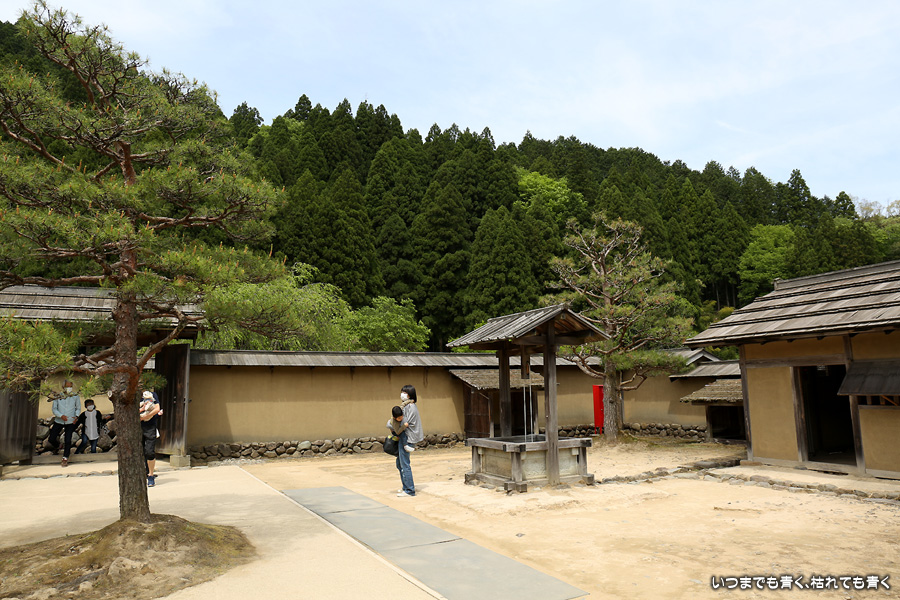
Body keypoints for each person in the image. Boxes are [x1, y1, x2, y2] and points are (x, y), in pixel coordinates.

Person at [395, 384, 423, 498]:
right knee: (400, 463)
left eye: (405, 393)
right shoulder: (406, 406)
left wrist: (394, 425)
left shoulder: (410, 407)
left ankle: (409, 490)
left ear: (410, 395)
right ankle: (405, 486)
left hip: (407, 437)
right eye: (402, 392)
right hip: (405, 436)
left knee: (404, 464)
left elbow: (405, 422)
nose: (402, 394)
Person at [48, 380, 80, 467]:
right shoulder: (58, 396)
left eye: (70, 386)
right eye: (67, 386)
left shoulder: (75, 396)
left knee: (68, 440)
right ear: (63, 387)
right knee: (51, 438)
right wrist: (61, 415)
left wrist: (76, 416)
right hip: (59, 420)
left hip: (70, 421)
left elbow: (78, 408)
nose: (69, 388)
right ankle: (58, 446)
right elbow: (54, 409)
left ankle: (65, 458)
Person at [139, 390, 161, 487]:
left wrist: (145, 417)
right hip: (136, 427)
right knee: (140, 452)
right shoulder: (131, 395)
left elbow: (157, 408)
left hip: (150, 426)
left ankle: (151, 475)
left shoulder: (152, 394)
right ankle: (144, 472)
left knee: (149, 451)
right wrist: (141, 410)